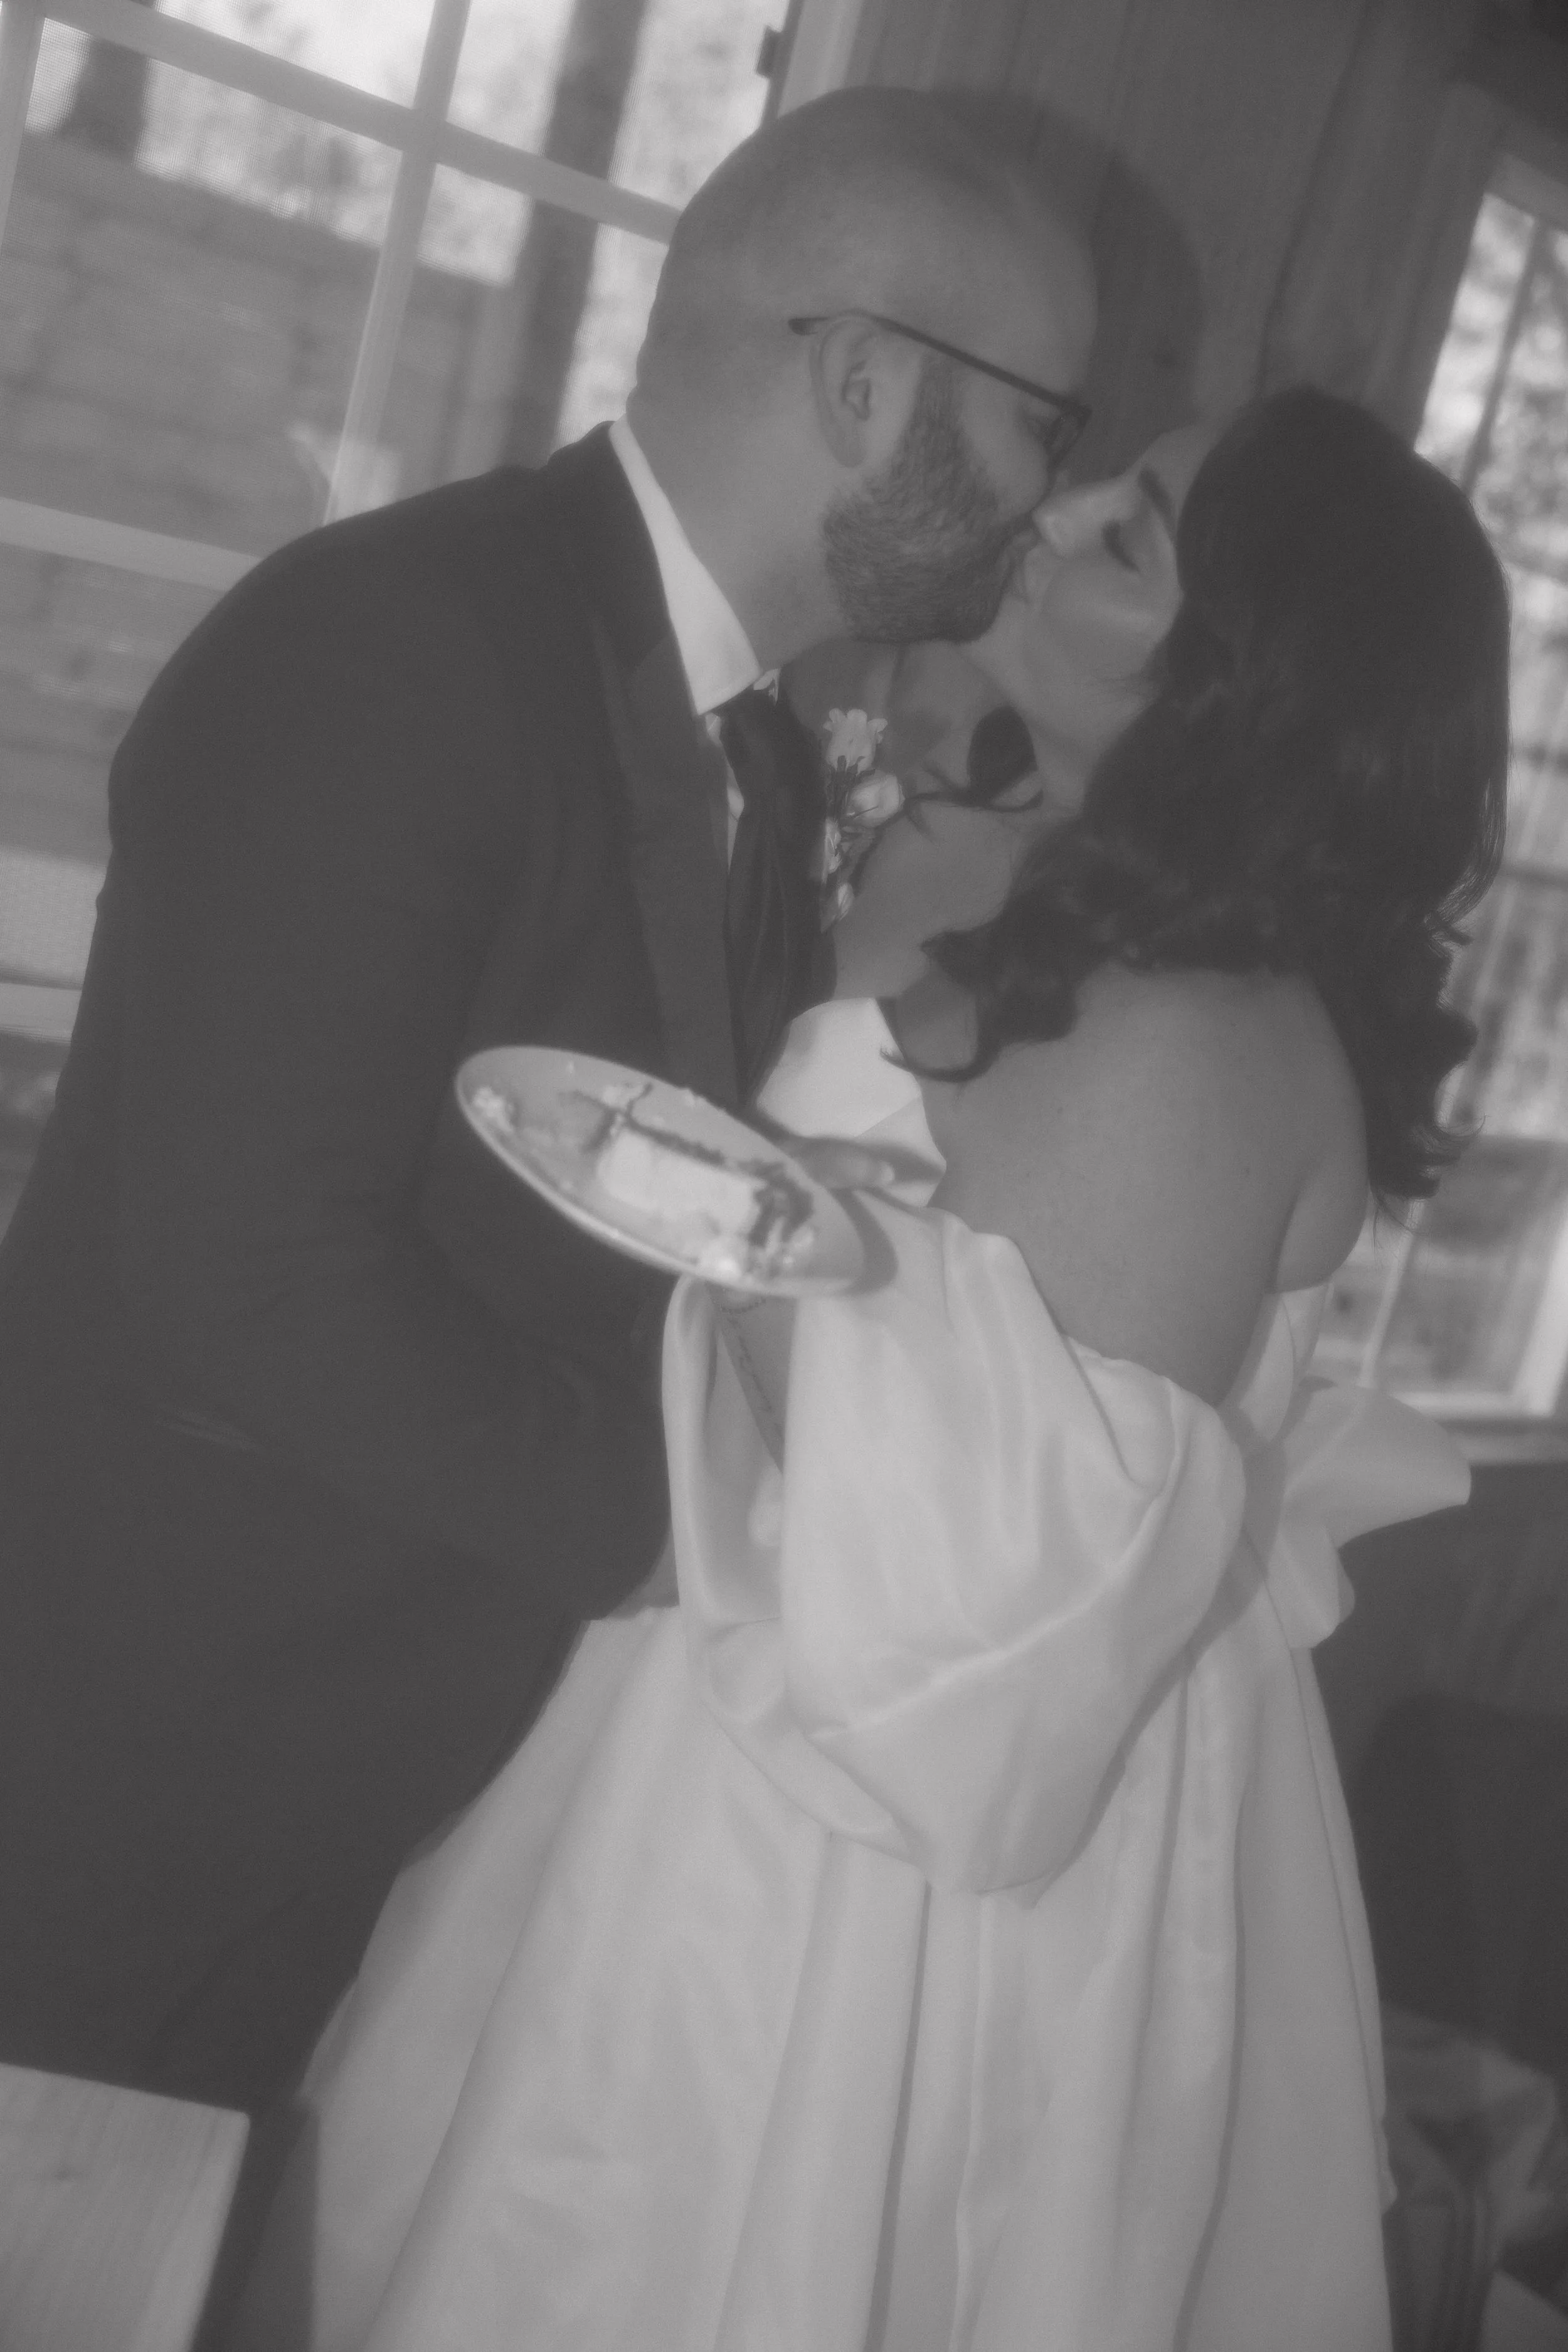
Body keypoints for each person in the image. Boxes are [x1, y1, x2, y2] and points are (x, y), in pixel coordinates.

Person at [230, 386, 1508, 2352]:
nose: (1053, 504)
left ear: (1230, 693)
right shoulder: (1036, 898)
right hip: (753, 1693)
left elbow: (980, 1647)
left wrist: (753, 1218)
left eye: (1126, 535)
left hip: (854, 1873)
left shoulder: (1167, 1043)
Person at [0, 87, 1095, 2114]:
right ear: (866, 386)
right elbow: (243, 1259)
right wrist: (676, 1530)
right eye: (1050, 418)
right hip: (130, 1753)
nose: (1051, 493)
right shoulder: (395, 645)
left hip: (356, 1741)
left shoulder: (750, 743)